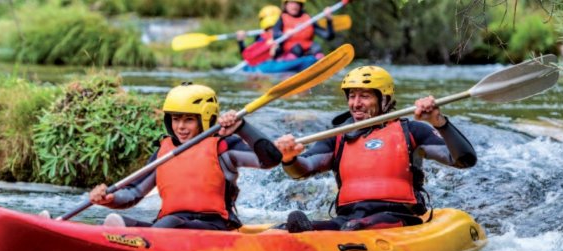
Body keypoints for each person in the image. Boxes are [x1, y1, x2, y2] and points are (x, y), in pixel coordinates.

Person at [273, 66, 477, 233]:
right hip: (348, 217)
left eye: (364, 96)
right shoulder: (338, 137)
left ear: (385, 100)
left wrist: (438, 121)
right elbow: (303, 168)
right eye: (352, 96)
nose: (356, 104)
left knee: (354, 228)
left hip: (398, 216)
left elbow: (463, 159)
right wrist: (290, 158)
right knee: (287, 227)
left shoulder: (412, 131)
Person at [89, 82, 282, 231]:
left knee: (170, 223)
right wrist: (110, 198)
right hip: (168, 226)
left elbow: (271, 159)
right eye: (176, 119)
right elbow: (132, 193)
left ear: (205, 118)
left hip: (215, 227)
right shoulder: (163, 153)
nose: (180, 127)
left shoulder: (224, 147)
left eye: (188, 120)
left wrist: (242, 127)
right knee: (117, 222)